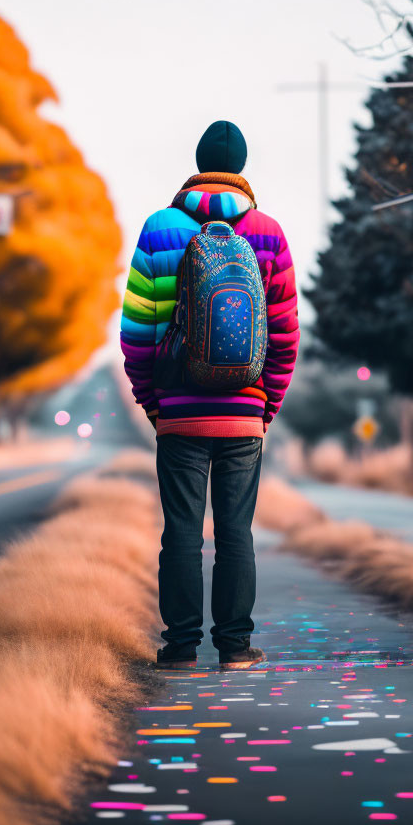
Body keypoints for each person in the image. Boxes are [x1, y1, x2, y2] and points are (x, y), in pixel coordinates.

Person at [120, 120, 299, 670]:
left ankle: (179, 647)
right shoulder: (267, 232)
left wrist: (152, 402)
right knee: (235, 531)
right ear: (241, 167)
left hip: (178, 413)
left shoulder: (158, 230)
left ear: (197, 165)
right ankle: (236, 646)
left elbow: (137, 331)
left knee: (181, 530)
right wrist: (266, 406)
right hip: (244, 415)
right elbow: (285, 331)